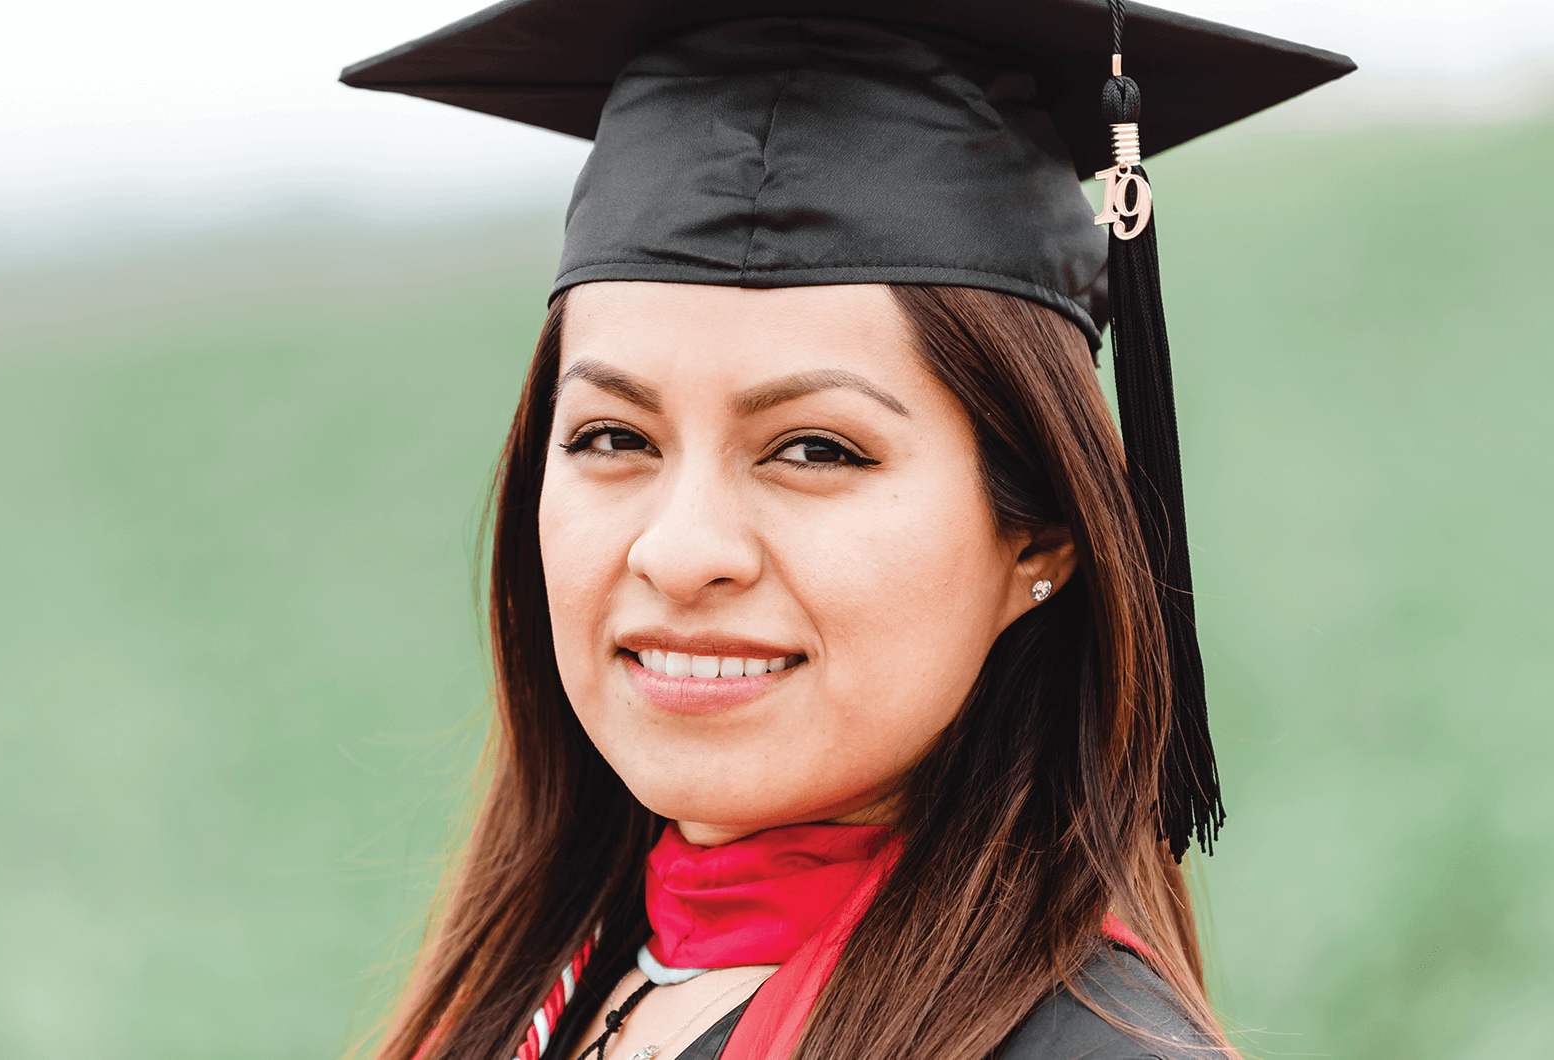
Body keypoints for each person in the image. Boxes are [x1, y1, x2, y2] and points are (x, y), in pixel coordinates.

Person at [339, 2, 1354, 1059]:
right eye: (611, 435)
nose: (680, 551)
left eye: (815, 449)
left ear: (1042, 532)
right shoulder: (544, 992)